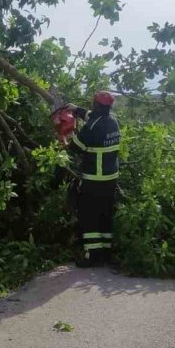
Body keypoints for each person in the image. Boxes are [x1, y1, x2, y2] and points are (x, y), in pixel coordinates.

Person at [65, 91, 121, 268]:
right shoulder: (113, 121)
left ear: (97, 104)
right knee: (105, 214)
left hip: (94, 180)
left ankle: (93, 256)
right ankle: (105, 253)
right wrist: (75, 109)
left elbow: (75, 147)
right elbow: (92, 116)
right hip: (111, 179)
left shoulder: (92, 127)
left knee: (89, 215)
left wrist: (66, 138)